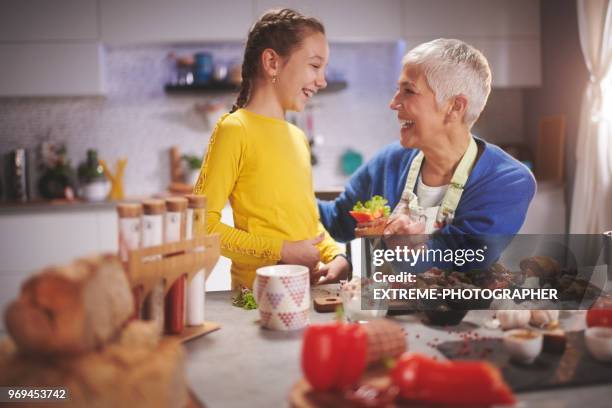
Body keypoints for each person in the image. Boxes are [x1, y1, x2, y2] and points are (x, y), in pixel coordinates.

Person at [319, 38, 536, 275]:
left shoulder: (508, 182)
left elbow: (461, 264)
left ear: (454, 107)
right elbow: (336, 222)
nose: (393, 103)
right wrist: (282, 185)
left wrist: (402, 250)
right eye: (397, 90)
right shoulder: (389, 161)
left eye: (408, 91)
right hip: (380, 310)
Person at [193, 9, 350, 290]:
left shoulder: (298, 138)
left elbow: (307, 221)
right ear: (272, 63)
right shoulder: (234, 129)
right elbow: (202, 227)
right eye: (315, 66)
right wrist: (281, 250)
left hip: (306, 290)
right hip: (253, 297)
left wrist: (335, 254)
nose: (323, 80)